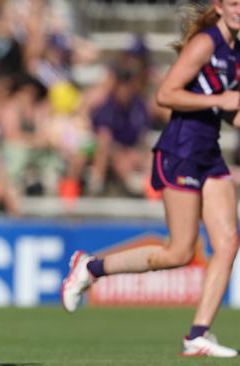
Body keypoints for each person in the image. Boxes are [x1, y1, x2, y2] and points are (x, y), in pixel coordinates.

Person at [62, 1, 240, 358]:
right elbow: (166, 94)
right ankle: (90, 267)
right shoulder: (206, 42)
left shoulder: (235, 52)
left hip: (208, 152)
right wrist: (221, 98)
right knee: (178, 251)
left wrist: (228, 106)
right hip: (180, 150)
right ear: (219, 7)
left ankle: (197, 335)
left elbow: (228, 112)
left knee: (228, 242)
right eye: (234, 2)